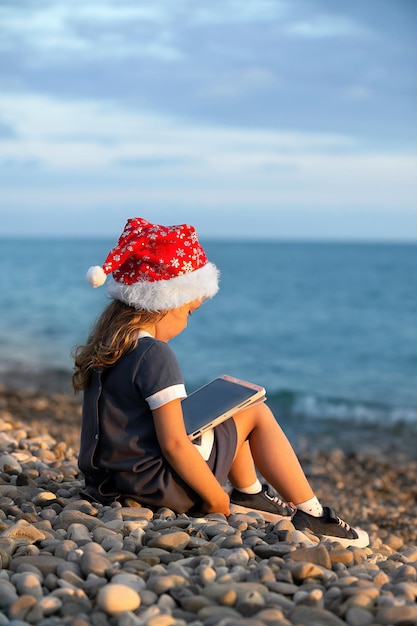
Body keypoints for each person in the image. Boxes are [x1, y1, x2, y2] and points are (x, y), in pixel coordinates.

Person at [73, 217, 369, 548]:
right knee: (255, 413)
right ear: (165, 303)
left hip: (110, 480)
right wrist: (217, 502)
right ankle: (311, 514)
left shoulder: (112, 345)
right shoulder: (154, 354)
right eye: (189, 312)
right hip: (154, 486)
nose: (186, 323)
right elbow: (173, 443)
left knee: (228, 413)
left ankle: (252, 494)